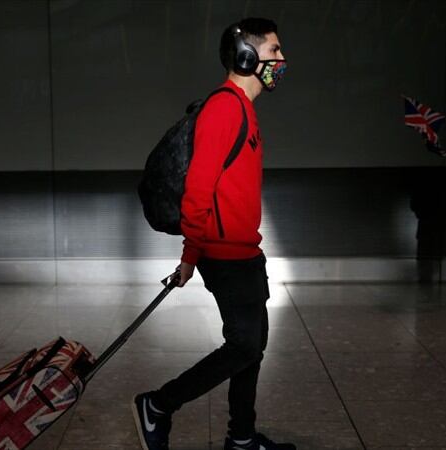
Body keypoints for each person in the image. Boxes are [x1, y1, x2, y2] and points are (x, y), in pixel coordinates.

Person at [131, 18, 295, 450]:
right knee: (243, 346)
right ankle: (158, 405)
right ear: (247, 56)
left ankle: (241, 438)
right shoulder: (224, 108)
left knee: (252, 346)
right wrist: (191, 255)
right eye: (274, 51)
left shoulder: (243, 108)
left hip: (245, 251)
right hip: (224, 255)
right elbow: (198, 191)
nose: (281, 60)